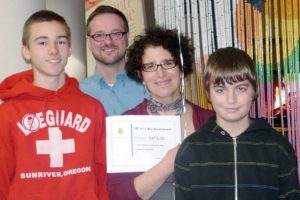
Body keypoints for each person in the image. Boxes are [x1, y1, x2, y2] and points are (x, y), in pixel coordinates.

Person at [0, 10, 108, 199]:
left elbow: (103, 173)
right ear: (26, 51)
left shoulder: (93, 109)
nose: (53, 50)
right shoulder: (7, 114)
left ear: (70, 48)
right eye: (42, 42)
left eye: (60, 41)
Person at [174, 47, 300, 200]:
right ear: (208, 93)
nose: (231, 99)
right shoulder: (190, 149)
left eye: (240, 88)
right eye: (221, 90)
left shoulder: (279, 147)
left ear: (254, 91)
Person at [108, 27, 214, 200]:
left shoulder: (210, 121)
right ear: (140, 75)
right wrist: (166, 165)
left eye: (168, 63)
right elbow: (117, 195)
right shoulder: (125, 124)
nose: (160, 73)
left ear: (181, 68)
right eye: (150, 66)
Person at [80, 5, 148, 116]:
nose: (108, 42)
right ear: (88, 42)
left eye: (116, 33)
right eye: (99, 35)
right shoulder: (78, 93)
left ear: (127, 37)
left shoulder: (150, 88)